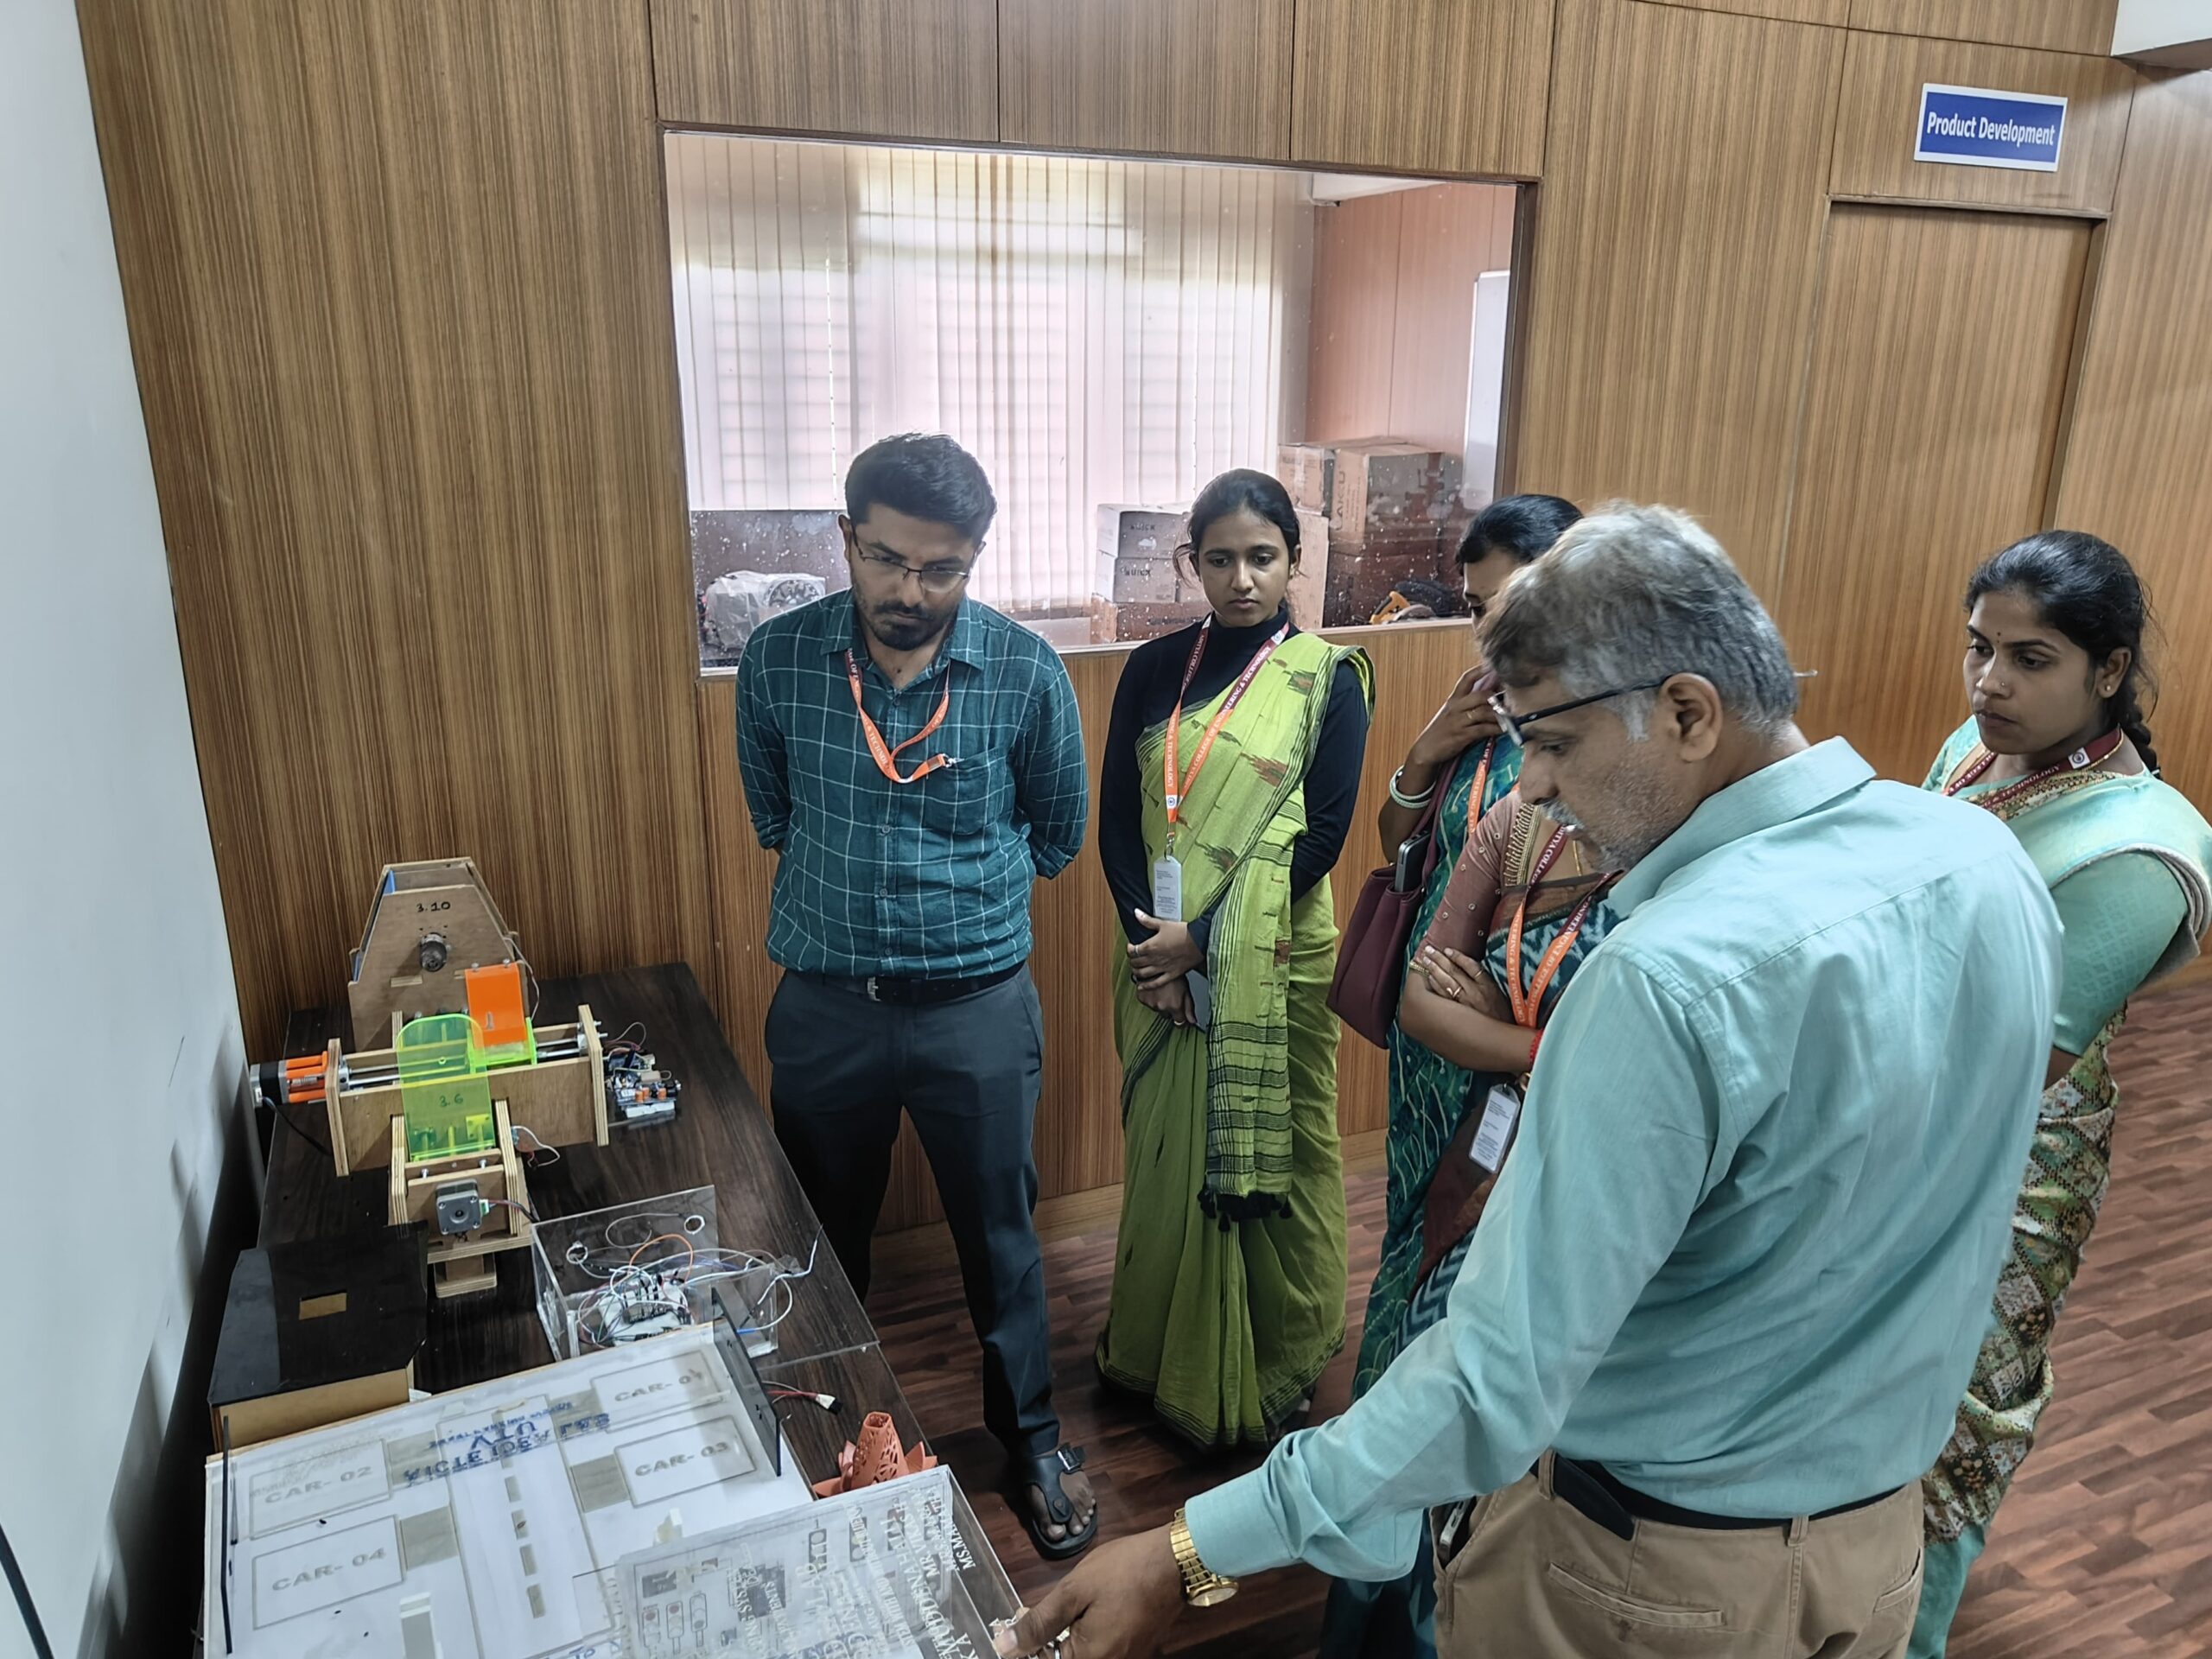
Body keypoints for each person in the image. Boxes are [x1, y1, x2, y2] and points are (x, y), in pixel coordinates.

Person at [1000, 504, 2062, 1659]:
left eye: (1552, 743)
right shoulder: (1984, 863)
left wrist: (1190, 1551)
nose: (1539, 789)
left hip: (1650, 1578)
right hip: (1879, 1551)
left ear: (1687, 712)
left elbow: (1489, 1386)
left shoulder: (1665, 975)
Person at [734, 432, 1099, 1559]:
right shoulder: (779, 659)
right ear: (845, 538)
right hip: (828, 1007)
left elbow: (1058, 833)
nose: (910, 591)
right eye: (887, 560)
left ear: (976, 556)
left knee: (1001, 1240)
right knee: (820, 1245)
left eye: (941, 569)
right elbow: (773, 812)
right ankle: (829, 1442)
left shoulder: (1025, 671)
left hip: (975, 1012)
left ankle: (1031, 1443)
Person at [1909, 532, 2212, 1656]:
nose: (1989, 682)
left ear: (2109, 669)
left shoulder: (2142, 850)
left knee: (1951, 1428)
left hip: (2003, 1160)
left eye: (2030, 659)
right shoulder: (1975, 751)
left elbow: (2008, 1067)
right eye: (1978, 647)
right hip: (1889, 1102)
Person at [1322, 493, 1584, 1656]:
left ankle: (1442, 1560)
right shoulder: (1484, 713)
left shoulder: (1597, 750)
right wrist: (1426, 752)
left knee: (1488, 1308)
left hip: (1527, 1076)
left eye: (1509, 605)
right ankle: (1378, 1518)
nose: (1488, 633)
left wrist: (1503, 1015)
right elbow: (1399, 850)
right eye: (1477, 609)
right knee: (1411, 1253)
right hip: (1437, 1066)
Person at [1093, 467, 1373, 1449]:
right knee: (1165, 1158)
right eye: (1220, 560)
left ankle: (1276, 1354)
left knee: (1283, 1148)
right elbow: (1116, 825)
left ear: (1294, 560)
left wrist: (1203, 944)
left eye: (1262, 557)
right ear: (1192, 565)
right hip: (1153, 955)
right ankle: (1156, 1347)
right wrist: (1153, 949)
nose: (1242, 579)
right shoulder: (1151, 668)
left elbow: (1322, 838)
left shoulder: (1326, 678)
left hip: (1273, 956)